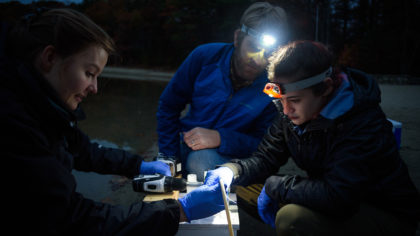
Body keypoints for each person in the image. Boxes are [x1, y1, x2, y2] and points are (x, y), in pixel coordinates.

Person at [0, 8, 202, 235]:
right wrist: (178, 212)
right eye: (89, 73)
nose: (94, 89)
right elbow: (70, 218)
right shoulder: (12, 124)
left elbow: (83, 151)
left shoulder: (44, 108)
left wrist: (137, 165)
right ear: (49, 58)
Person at [194, 40, 420, 235]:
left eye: (294, 100)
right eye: (281, 100)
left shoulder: (361, 123)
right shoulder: (290, 111)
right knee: (234, 186)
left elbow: (339, 197)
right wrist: (231, 171)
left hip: (382, 212)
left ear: (325, 88)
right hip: (332, 195)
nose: (286, 110)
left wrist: (278, 185)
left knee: (292, 218)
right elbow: (265, 158)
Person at [156, 2, 288, 181]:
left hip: (228, 159)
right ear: (237, 38)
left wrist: (222, 138)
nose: (258, 60)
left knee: (200, 161)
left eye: (268, 53)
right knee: (156, 171)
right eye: (254, 48)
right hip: (185, 143)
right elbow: (168, 106)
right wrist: (170, 158)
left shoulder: (273, 87)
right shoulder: (204, 57)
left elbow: (266, 146)